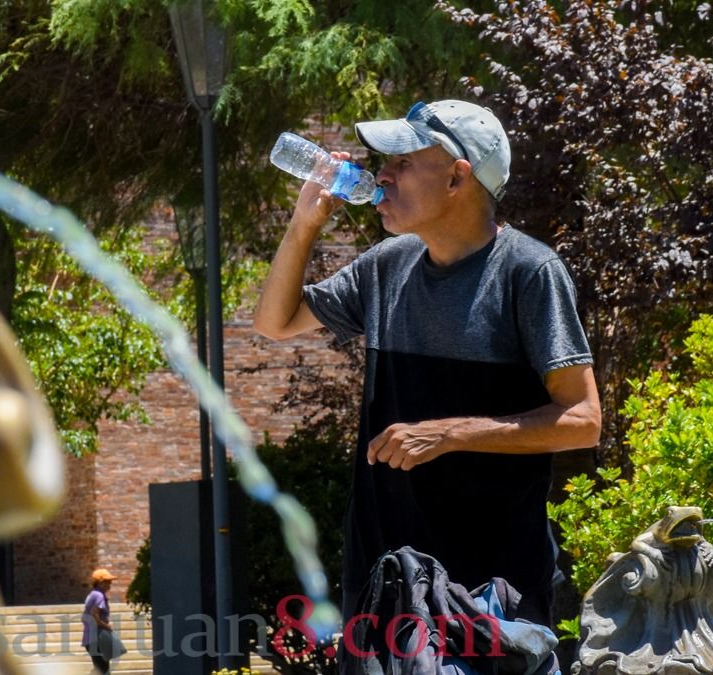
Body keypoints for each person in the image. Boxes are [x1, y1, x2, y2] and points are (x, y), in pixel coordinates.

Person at [253, 100, 602, 627]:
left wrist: (451, 433)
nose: (382, 175)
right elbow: (275, 322)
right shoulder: (386, 266)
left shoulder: (529, 272)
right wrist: (304, 223)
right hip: (381, 583)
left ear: (457, 177)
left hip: (491, 592)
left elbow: (583, 421)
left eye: (403, 162)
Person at [81, 568, 117, 673]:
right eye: (108, 582)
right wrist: (107, 627)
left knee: (101, 668)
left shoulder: (92, 594)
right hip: (96, 639)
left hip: (90, 638)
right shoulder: (99, 596)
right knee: (103, 669)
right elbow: (94, 615)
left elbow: (84, 617)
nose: (110, 584)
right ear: (100, 582)